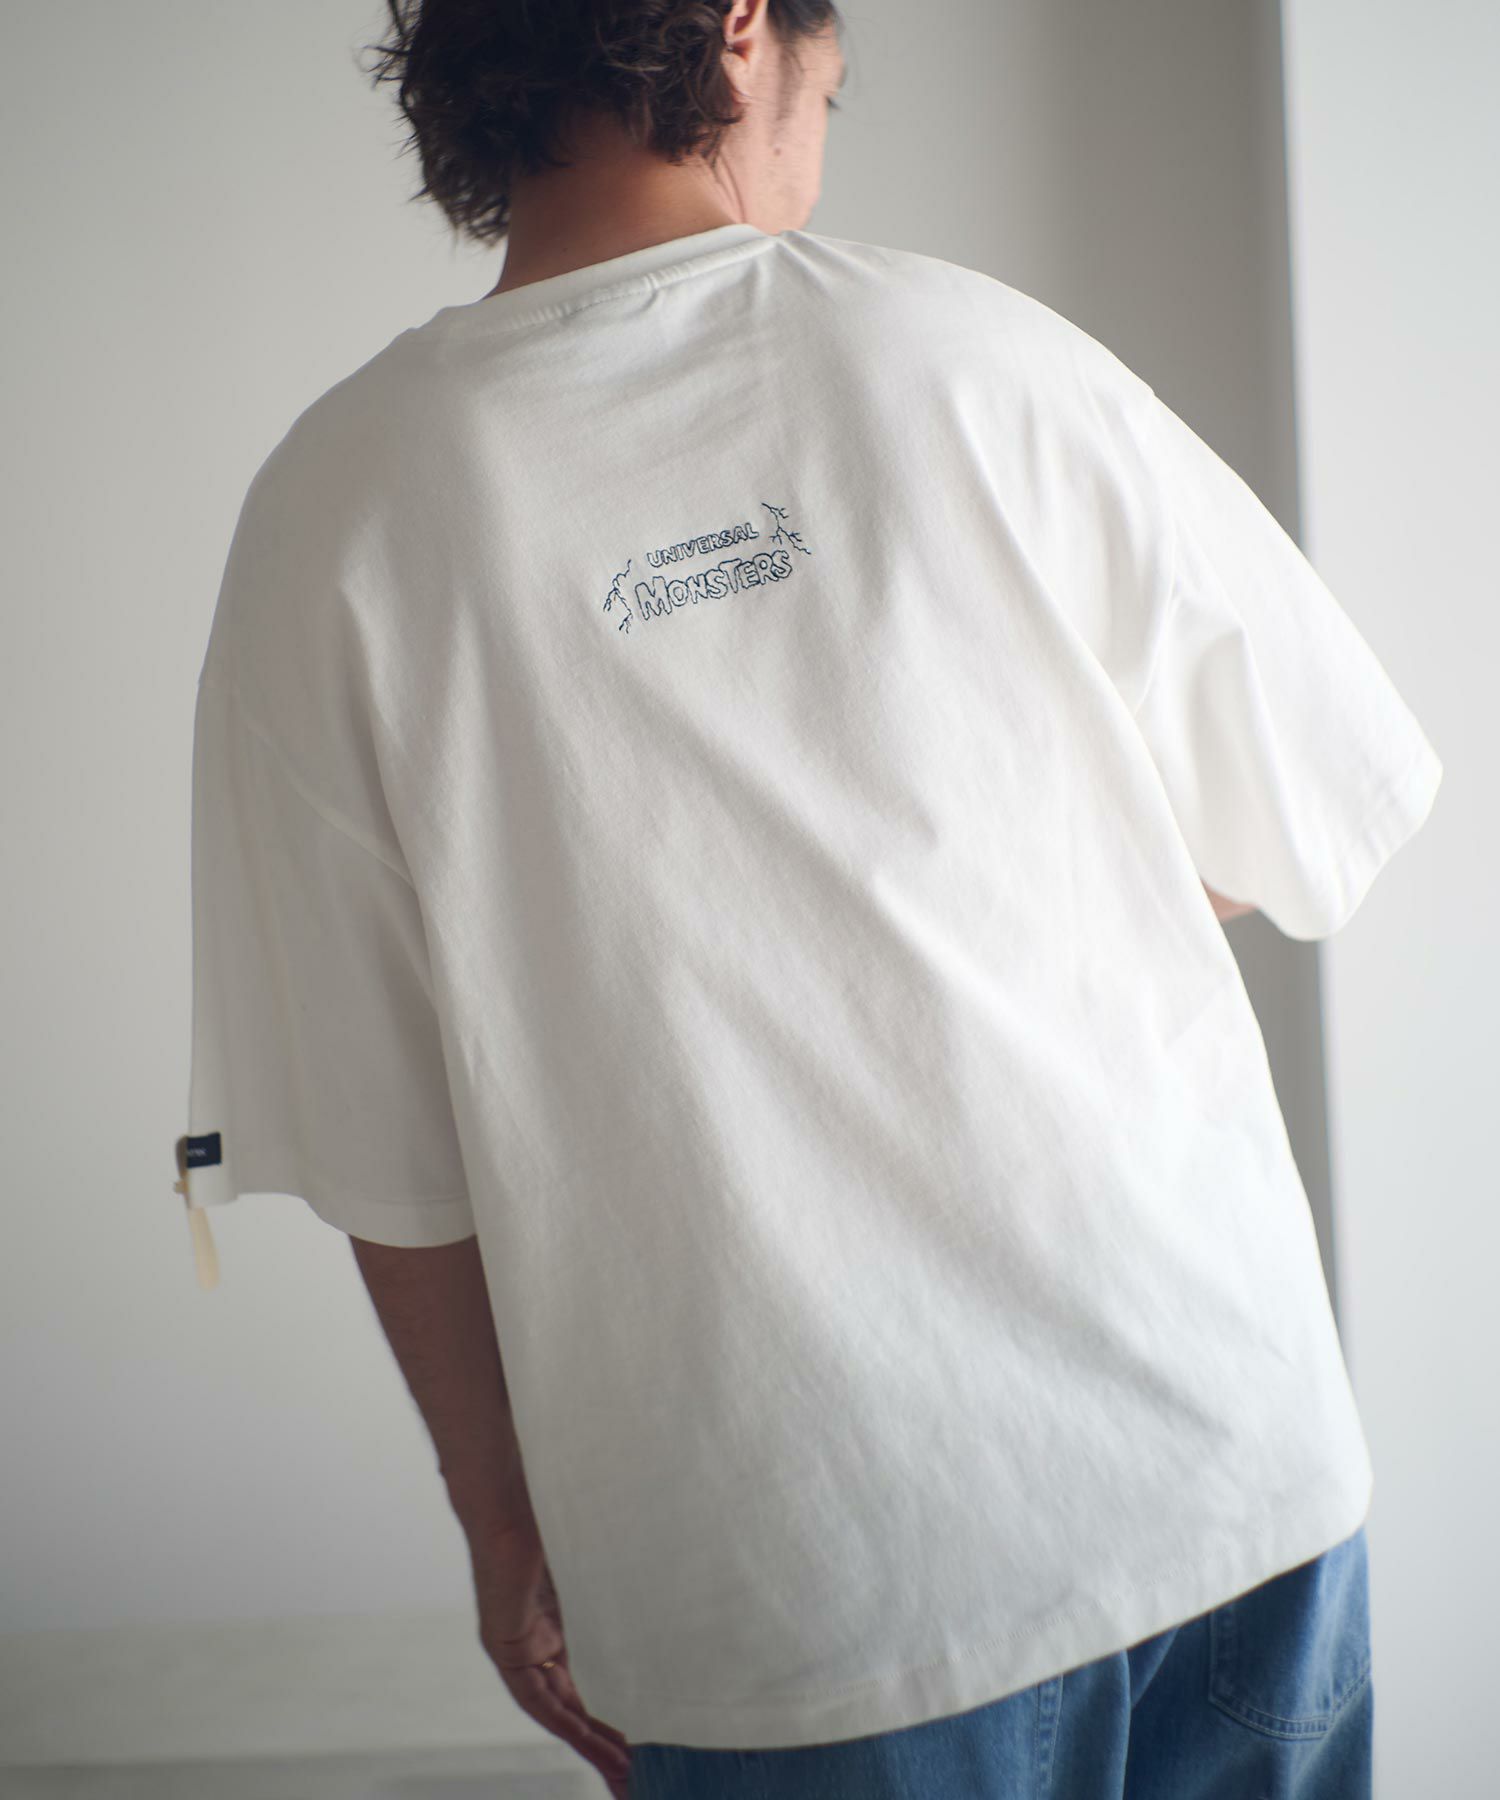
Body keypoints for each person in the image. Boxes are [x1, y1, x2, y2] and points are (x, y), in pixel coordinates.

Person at [176, 2, 1442, 1795]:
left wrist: (504, 1527)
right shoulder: (979, 359)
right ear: (740, 28)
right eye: (828, 99)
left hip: (803, 1581)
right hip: (1224, 1470)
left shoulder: (338, 507)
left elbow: (394, 1160)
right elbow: (1303, 805)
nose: (814, 156)